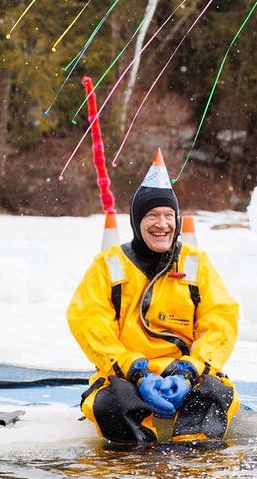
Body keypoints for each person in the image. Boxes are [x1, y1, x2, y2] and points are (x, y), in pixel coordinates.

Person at [67, 149, 240, 444]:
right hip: (125, 376)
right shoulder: (108, 265)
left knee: (214, 396)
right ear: (137, 222)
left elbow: (220, 322)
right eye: (152, 216)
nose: (162, 224)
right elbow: (89, 323)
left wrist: (189, 370)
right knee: (112, 404)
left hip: (186, 375)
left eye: (168, 216)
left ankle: (193, 477)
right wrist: (137, 372)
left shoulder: (196, 263)